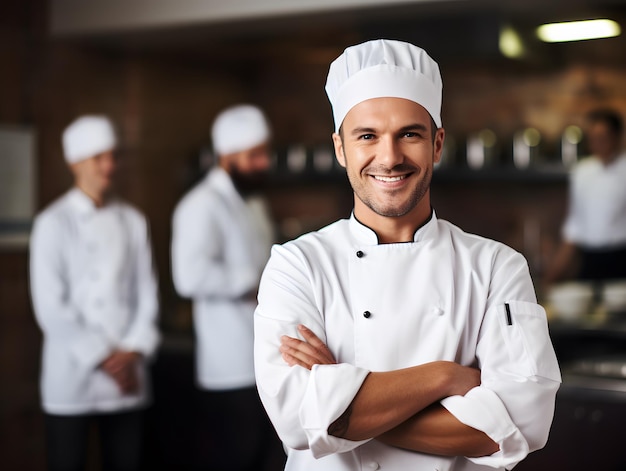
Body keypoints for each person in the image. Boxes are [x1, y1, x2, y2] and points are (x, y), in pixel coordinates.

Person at [253, 39, 561, 471]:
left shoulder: (496, 267)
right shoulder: (297, 265)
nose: (390, 157)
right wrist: (443, 376)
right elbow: (295, 421)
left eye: (409, 134)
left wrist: (341, 408)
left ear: (436, 145)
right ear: (341, 149)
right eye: (367, 136)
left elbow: (518, 427)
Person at [29, 115, 160, 471]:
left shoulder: (134, 220)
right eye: (98, 158)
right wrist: (106, 360)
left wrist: (133, 351)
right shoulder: (52, 223)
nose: (109, 166)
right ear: (75, 162)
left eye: (112, 156)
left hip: (128, 378)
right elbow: (51, 308)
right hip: (73, 377)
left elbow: (147, 295)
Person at [171, 104, 285, 470]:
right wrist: (253, 281)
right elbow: (188, 276)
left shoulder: (253, 202)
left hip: (267, 360)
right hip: (228, 366)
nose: (264, 163)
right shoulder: (199, 205)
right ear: (227, 156)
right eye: (254, 155)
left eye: (264, 153)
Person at [544, 108, 626, 285]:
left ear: (617, 137)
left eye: (603, 138)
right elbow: (575, 226)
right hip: (589, 259)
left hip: (621, 257)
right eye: (593, 139)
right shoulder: (582, 172)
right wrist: (552, 274)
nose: (597, 144)